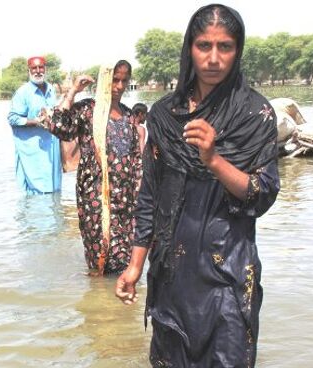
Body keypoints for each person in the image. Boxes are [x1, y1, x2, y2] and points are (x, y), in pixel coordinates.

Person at [115, 4, 280, 367]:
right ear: (190, 48)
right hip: (173, 274)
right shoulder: (164, 116)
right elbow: (150, 199)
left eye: (226, 47)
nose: (214, 58)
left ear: (238, 51)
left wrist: (215, 160)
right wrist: (134, 266)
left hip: (229, 274)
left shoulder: (255, 114)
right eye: (204, 45)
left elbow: (263, 192)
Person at [40, 60, 143, 275]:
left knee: (124, 260)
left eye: (124, 80)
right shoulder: (88, 110)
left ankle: (113, 306)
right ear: (106, 81)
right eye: (115, 80)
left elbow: (136, 161)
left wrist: (140, 198)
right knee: (100, 259)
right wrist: (72, 92)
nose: (120, 86)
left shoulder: (129, 116)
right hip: (95, 200)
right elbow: (58, 126)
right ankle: (97, 301)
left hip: (125, 202)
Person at [7, 56, 60, 194]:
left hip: (52, 150)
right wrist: (35, 122)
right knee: (36, 193)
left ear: (45, 69)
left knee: (54, 192)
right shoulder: (23, 92)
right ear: (29, 71)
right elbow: (12, 118)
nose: (38, 71)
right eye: (34, 68)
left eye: (40, 67)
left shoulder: (51, 90)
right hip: (32, 152)